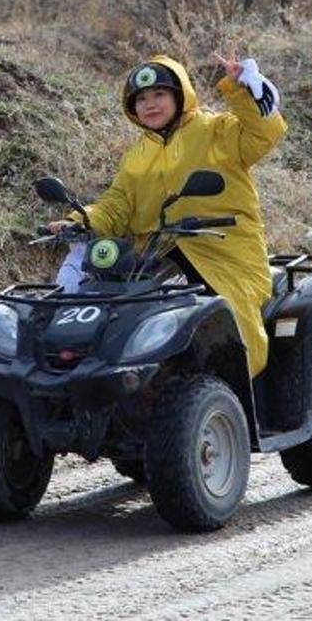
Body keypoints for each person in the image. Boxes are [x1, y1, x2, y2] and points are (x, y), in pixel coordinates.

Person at [48, 53, 287, 379]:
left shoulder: (217, 129)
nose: (150, 104)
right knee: (115, 316)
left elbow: (264, 134)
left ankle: (233, 390)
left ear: (180, 95)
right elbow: (118, 204)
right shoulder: (137, 155)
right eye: (142, 99)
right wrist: (82, 221)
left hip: (223, 252)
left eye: (159, 94)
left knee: (228, 321)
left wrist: (241, 88)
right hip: (156, 257)